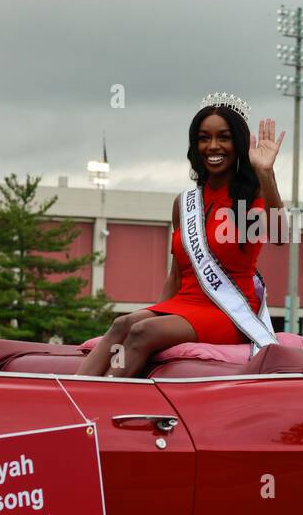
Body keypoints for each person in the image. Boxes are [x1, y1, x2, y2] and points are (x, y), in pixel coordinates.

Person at [77, 93, 286, 378]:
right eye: (203, 138)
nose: (213, 146)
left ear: (237, 143)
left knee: (143, 331)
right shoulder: (185, 202)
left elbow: (279, 234)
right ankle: (74, 396)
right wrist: (160, 310)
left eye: (223, 137)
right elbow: (176, 274)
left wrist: (266, 173)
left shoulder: (250, 197)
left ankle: (104, 401)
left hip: (228, 311)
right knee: (122, 324)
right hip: (184, 302)